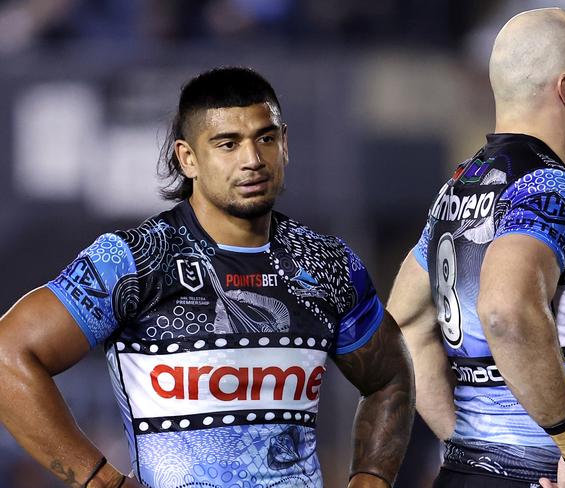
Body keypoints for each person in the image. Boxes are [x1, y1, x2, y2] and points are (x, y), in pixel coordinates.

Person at [0, 67, 415, 488]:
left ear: (285, 143)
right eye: (228, 144)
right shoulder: (134, 260)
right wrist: (101, 481)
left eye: (265, 138)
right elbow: (7, 356)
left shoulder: (327, 263)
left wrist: (371, 478)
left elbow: (389, 378)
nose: (252, 160)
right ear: (188, 158)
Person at [388, 8, 565, 488]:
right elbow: (505, 310)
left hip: (466, 473)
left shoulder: (459, 188)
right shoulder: (550, 186)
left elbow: (405, 321)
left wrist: (466, 444)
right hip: (542, 477)